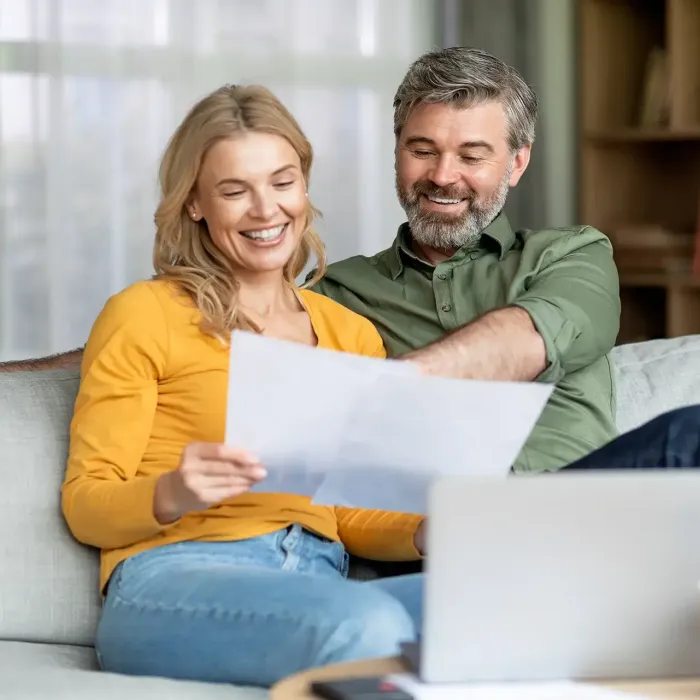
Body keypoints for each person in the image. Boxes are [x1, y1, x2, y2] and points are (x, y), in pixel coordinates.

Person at [5, 47, 700, 473]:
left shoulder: (572, 255)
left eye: (472, 155)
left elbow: (529, 337)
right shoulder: (339, 295)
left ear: (516, 164)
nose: (443, 175)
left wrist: (391, 385)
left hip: (574, 505)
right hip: (437, 536)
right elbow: (180, 333)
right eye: (423, 148)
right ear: (397, 152)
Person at [60, 84, 425, 688]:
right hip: (173, 581)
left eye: (282, 182)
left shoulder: (350, 333)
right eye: (235, 191)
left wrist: (429, 529)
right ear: (196, 203)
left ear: (303, 187)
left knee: (508, 605)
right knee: (365, 623)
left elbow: (351, 511)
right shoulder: (143, 313)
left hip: (316, 581)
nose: (266, 210)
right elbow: (86, 504)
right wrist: (174, 490)